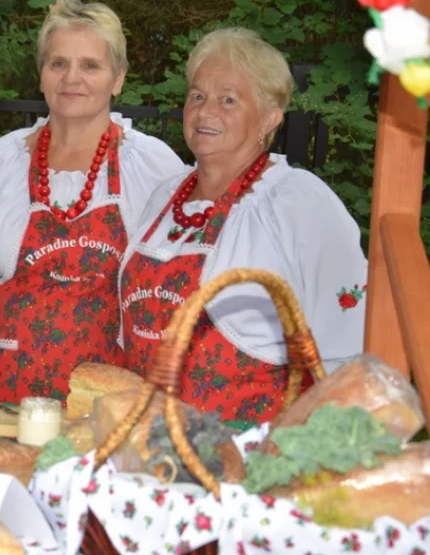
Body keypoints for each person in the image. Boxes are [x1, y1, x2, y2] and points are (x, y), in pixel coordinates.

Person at [118, 27, 368, 425]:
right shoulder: (165, 195)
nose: (204, 111)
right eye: (197, 95)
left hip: (249, 453)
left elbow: (347, 346)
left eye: (228, 100)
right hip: (144, 443)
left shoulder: (298, 201)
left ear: (269, 118)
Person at [0, 0, 185, 403]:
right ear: (42, 74)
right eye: (58, 63)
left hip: (102, 395)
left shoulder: (153, 167)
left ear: (118, 77)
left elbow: (167, 283)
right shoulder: (2, 159)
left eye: (90, 65)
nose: (71, 78)